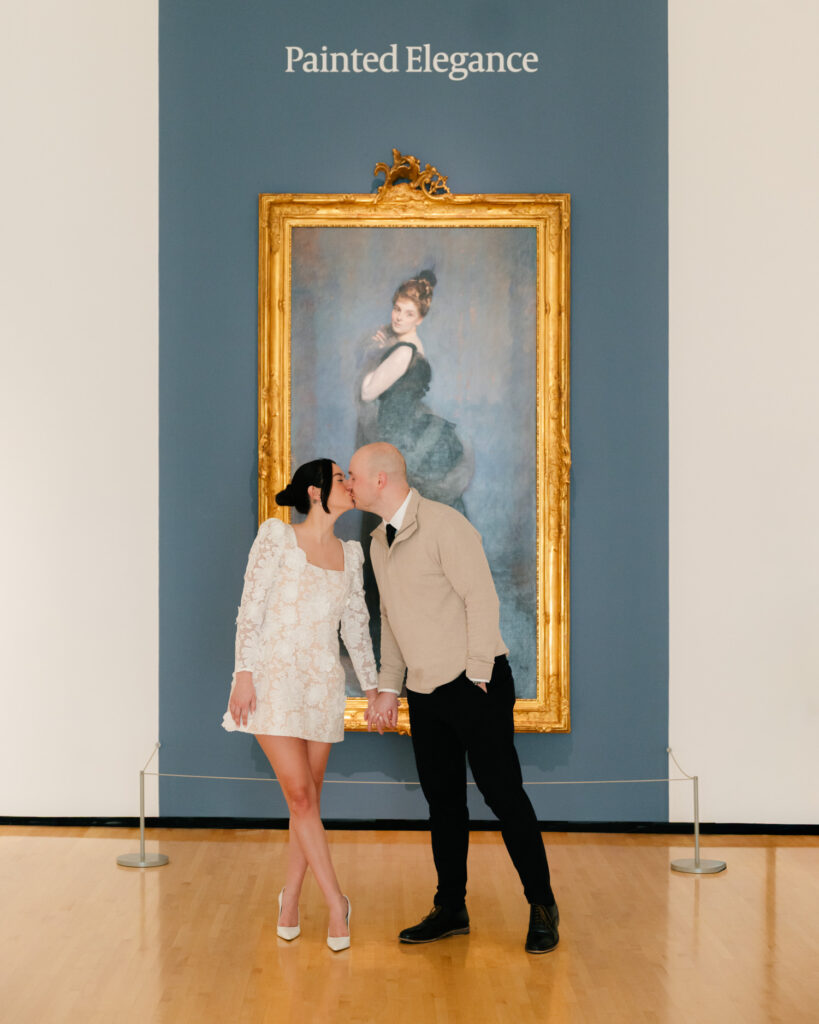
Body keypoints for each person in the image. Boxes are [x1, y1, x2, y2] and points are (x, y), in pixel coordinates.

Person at [347, 442, 559, 954]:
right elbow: (392, 624)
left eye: (352, 476)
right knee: (443, 804)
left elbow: (482, 598)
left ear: (381, 480)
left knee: (504, 796)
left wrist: (480, 674)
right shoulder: (378, 542)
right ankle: (451, 908)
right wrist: (388, 689)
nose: (348, 484)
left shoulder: (445, 524)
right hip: (424, 692)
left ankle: (542, 905)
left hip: (474, 683)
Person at [222, 459, 378, 951]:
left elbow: (355, 627)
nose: (350, 485)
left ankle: (289, 898)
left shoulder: (351, 554)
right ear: (315, 492)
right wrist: (242, 675)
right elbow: (250, 609)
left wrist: (373, 688)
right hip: (271, 683)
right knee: (301, 798)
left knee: (304, 802)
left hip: (321, 690)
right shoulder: (275, 537)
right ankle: (337, 903)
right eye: (341, 480)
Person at [356, 269, 473, 515]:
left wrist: (372, 356)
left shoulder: (403, 351)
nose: (399, 318)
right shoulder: (411, 347)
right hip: (401, 432)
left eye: (409, 313)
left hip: (400, 436)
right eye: (397, 309)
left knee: (400, 509)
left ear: (419, 319)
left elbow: (367, 393)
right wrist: (385, 343)